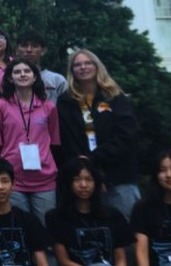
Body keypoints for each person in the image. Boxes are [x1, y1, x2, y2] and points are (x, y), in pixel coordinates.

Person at [57, 48, 141, 218]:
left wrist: (94, 160)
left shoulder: (115, 97)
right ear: (72, 70)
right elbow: (66, 139)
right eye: (77, 64)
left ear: (97, 66)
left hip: (118, 176)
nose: (83, 67)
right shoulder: (66, 101)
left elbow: (126, 135)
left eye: (88, 63)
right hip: (81, 178)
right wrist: (85, 169)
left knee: (125, 230)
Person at [0, 58, 61, 222]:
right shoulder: (0, 106)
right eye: (17, 72)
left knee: (46, 226)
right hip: (14, 179)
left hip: (44, 178)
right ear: (9, 78)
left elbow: (55, 142)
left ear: (35, 77)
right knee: (19, 226)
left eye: (27, 71)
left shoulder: (49, 107)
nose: (22, 75)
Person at [16, 30, 68, 101]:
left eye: (34, 46)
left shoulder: (57, 80)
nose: (29, 50)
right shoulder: (8, 79)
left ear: (43, 51)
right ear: (17, 50)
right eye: (24, 46)